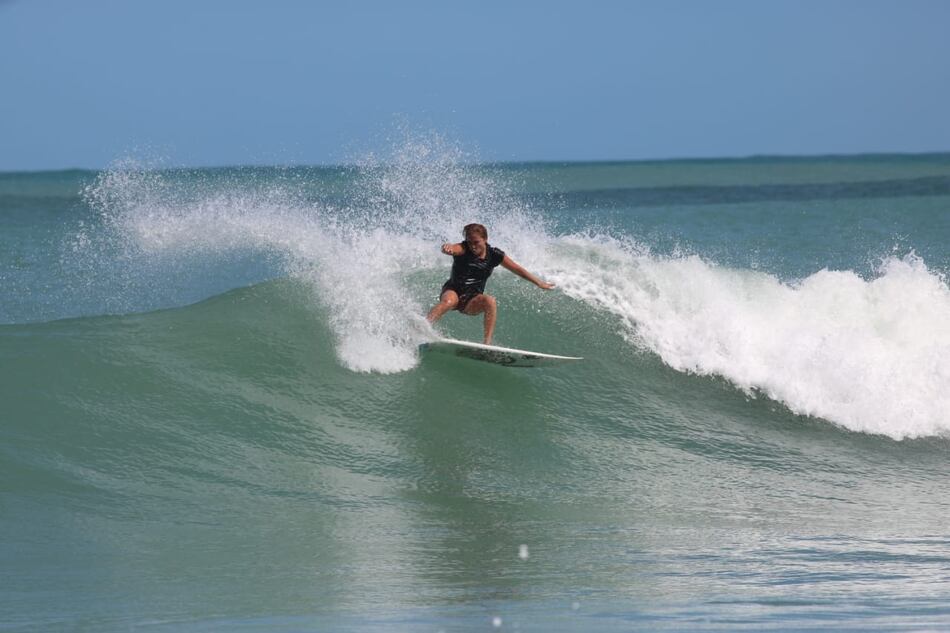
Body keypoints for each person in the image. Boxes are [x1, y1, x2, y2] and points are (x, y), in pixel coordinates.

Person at [426, 223, 554, 345]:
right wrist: (447, 248)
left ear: (485, 239)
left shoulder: (494, 255)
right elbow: (453, 248)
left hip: (472, 299)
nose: (473, 246)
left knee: (490, 301)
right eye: (469, 242)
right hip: (453, 290)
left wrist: (539, 283)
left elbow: (517, 269)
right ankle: (424, 327)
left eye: (476, 242)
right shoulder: (463, 248)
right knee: (449, 301)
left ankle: (487, 344)